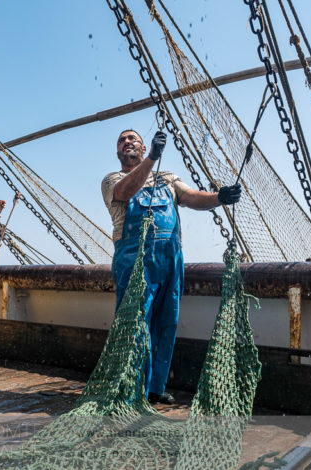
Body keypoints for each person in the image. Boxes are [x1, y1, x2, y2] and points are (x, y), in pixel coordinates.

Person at [101, 129, 241, 404]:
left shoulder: (168, 179)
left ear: (141, 146)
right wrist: (152, 157)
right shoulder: (112, 179)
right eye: (121, 140)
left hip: (170, 256)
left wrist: (220, 197)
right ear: (118, 152)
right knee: (134, 321)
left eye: (133, 139)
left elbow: (191, 197)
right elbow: (125, 191)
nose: (127, 142)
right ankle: (129, 388)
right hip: (133, 257)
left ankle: (155, 387)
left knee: (166, 321)